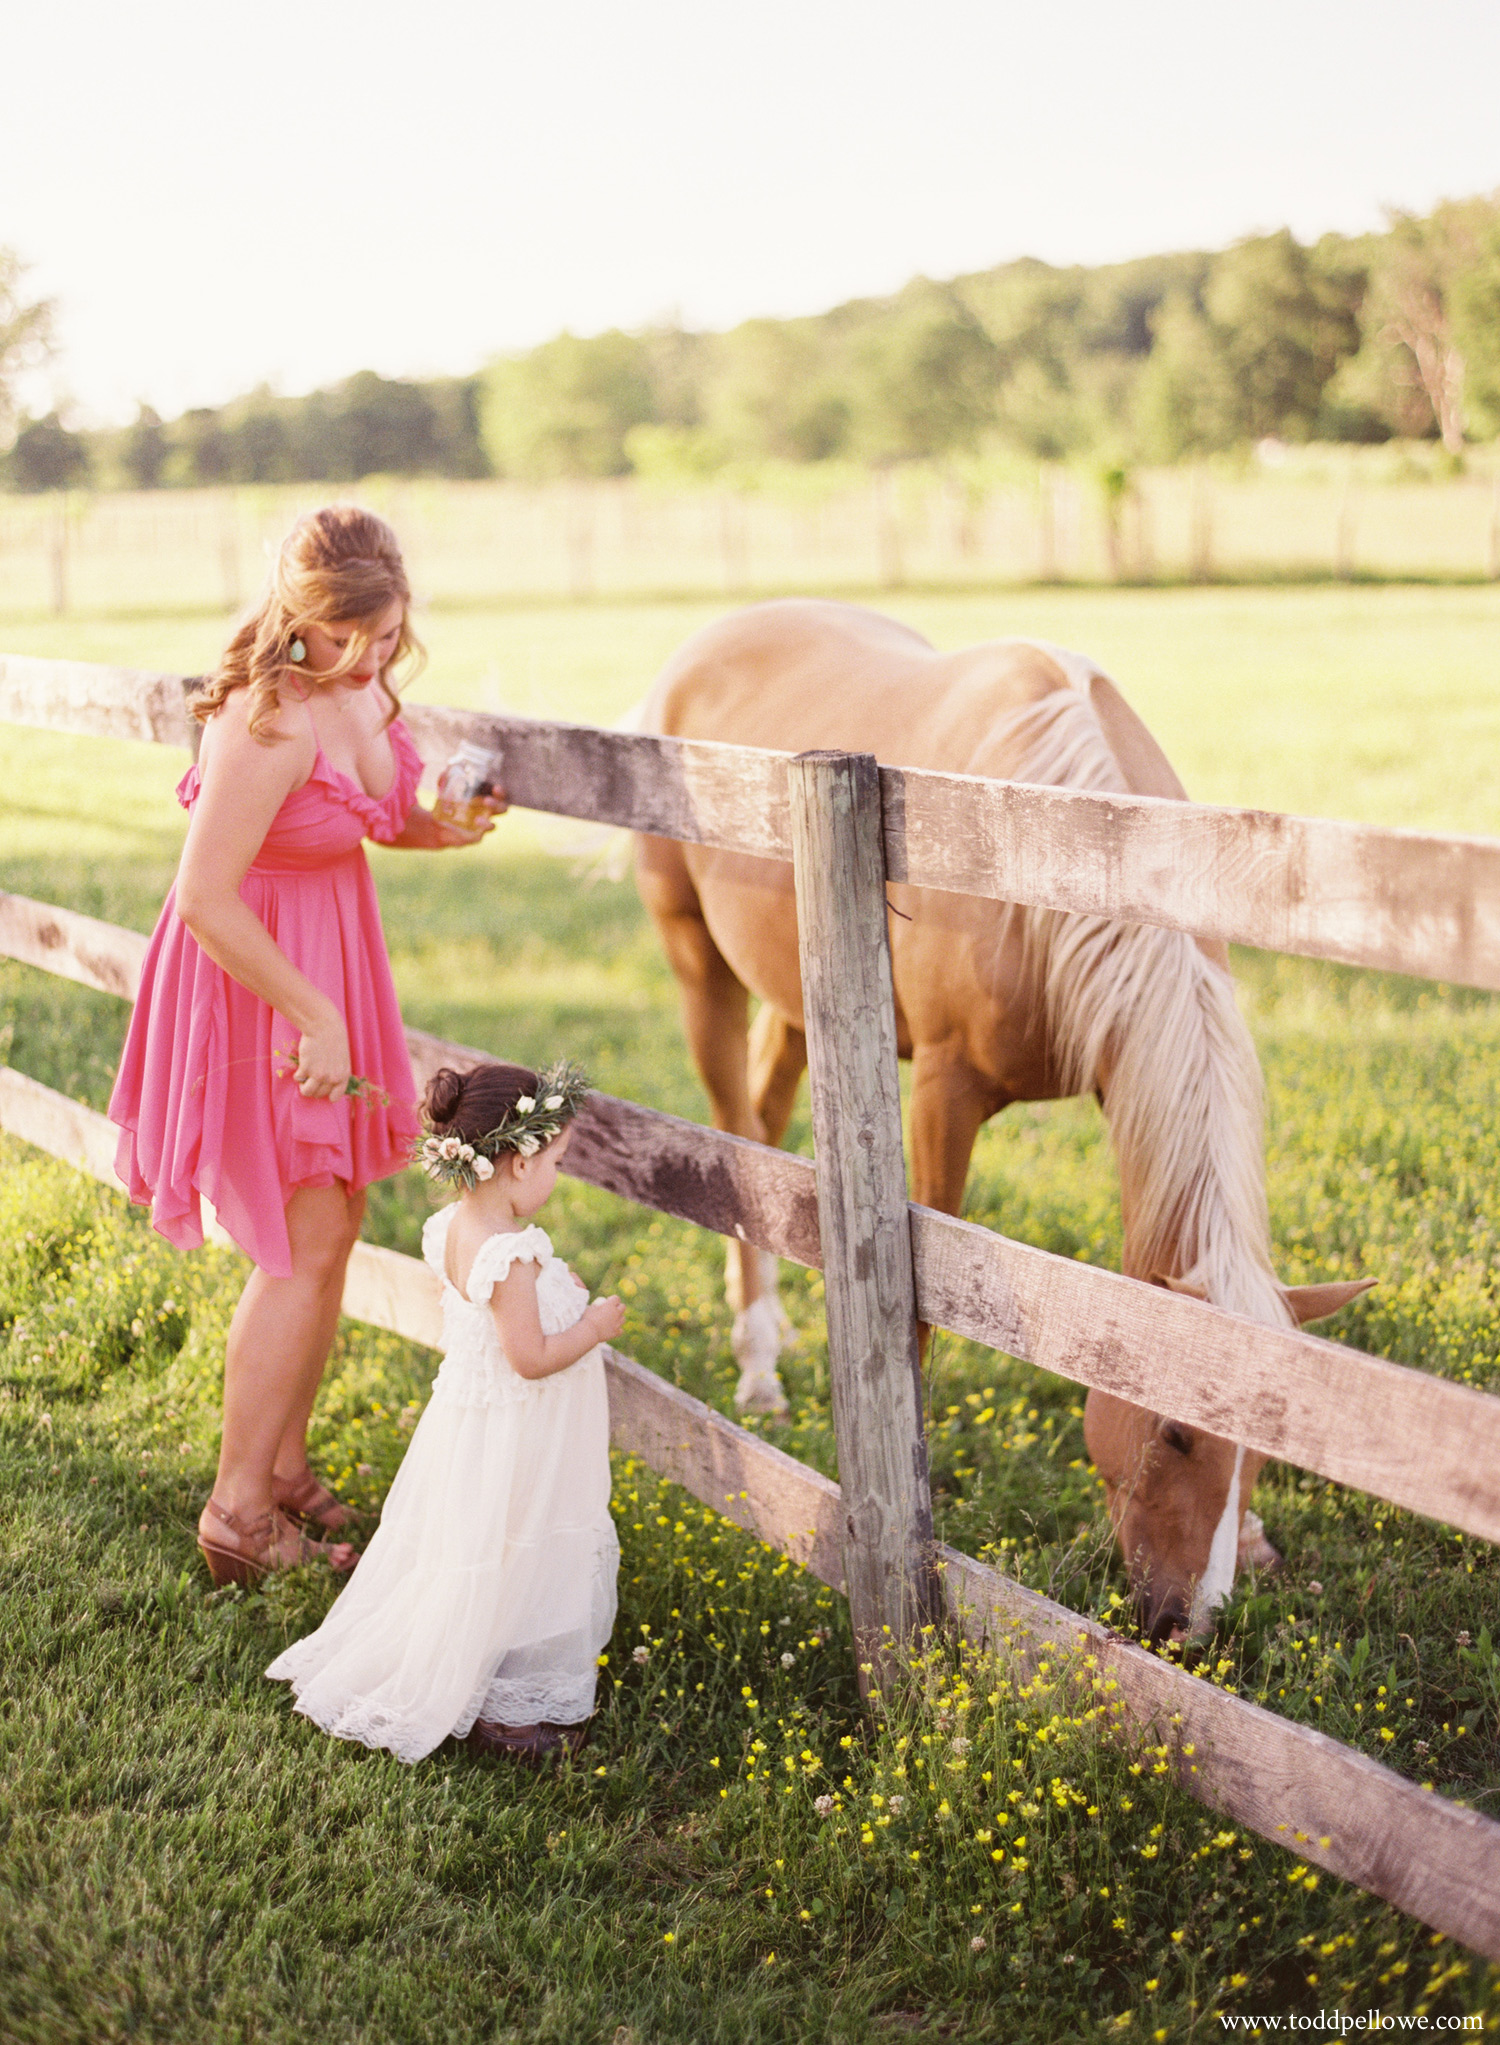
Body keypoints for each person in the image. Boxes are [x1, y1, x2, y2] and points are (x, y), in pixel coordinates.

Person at [108, 505, 505, 1585]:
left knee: (332, 1225)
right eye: (345, 637)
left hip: (333, 960)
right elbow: (203, 895)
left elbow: (380, 814)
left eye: (383, 636)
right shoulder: (262, 720)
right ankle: (239, 1510)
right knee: (302, 1235)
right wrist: (313, 1013)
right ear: (297, 615)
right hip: (260, 979)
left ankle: (280, 1462)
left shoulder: (364, 689)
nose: (367, 656)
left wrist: (448, 822)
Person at [265, 1059, 625, 1764]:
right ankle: (499, 1703)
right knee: (515, 1552)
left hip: (471, 1427)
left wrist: (557, 1283)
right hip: (518, 1437)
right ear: (517, 1163)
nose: (558, 1172)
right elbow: (528, 1354)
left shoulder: (458, 1226)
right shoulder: (512, 1254)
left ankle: (482, 1677)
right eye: (555, 1159)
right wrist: (593, 1326)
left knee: (474, 1550)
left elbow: (494, 1310)